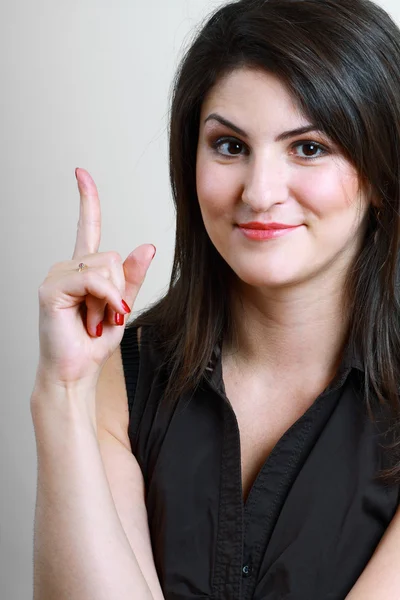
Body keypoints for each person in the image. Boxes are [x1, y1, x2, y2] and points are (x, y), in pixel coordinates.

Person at [30, 0, 400, 598]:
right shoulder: (122, 375)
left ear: (383, 174)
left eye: (308, 148)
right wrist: (62, 391)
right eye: (229, 146)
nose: (259, 192)